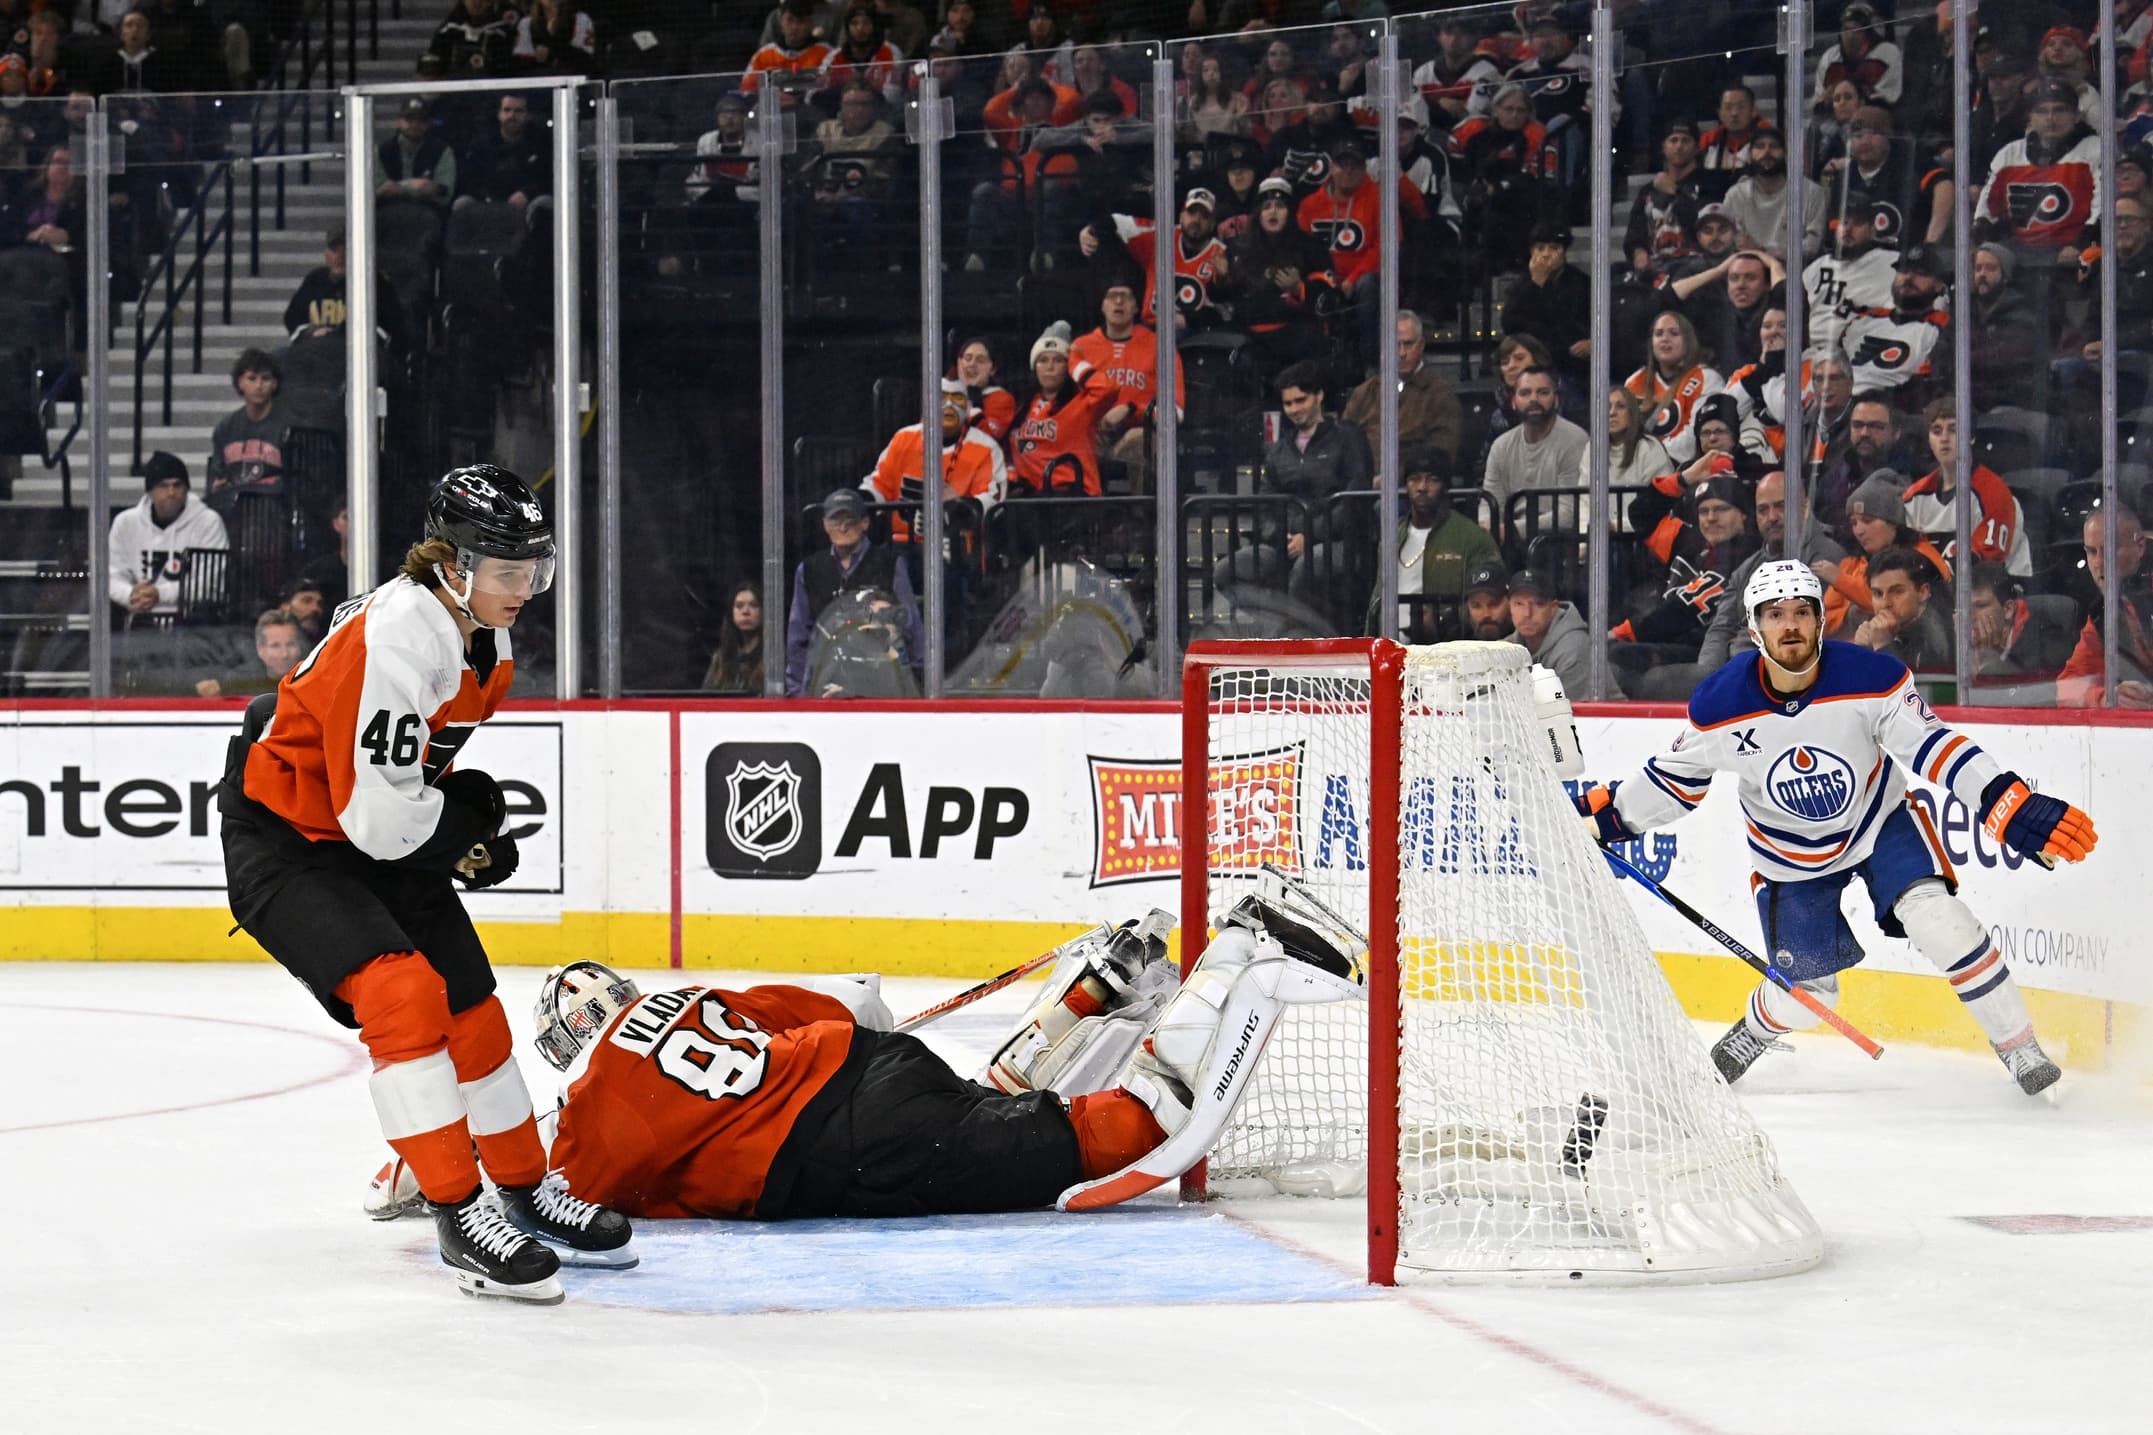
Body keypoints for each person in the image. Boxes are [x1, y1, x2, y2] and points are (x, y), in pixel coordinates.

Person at [219, 465, 634, 1303]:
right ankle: (457, 1210)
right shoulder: (401, 637)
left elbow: (396, 786)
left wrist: (454, 831)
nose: (525, 589)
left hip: (354, 827)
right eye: (508, 570)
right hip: (286, 841)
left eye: (534, 570)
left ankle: (523, 1186)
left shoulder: (486, 635)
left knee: (471, 1005)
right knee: (405, 994)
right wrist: (455, 829)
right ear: (452, 566)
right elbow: (377, 821)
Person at [1574, 560, 2096, 1096]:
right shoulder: (1720, 705)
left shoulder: (1870, 678)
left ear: (1822, 619)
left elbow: (1933, 745)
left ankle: (2020, 1048)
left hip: (1877, 825)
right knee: (1811, 996)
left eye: (1803, 611)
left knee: (1940, 919)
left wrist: (2005, 800)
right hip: (1788, 856)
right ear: (1754, 629)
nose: (1791, 624)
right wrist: (1608, 819)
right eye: (1775, 615)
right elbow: (1672, 782)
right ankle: (1752, 1032)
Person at [540, 895, 1364, 1220]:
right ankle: (1082, 999)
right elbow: (852, 1003)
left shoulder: (597, 1099)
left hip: (852, 1148)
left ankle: (1233, 959)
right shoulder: (693, 1002)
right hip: (877, 1067)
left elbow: (556, 1197)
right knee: (978, 1104)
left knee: (1125, 1131)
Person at [1216, 359, 1373, 620]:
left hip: (1339, 542)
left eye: (1301, 400)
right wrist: (1284, 537)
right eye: (1288, 403)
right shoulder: (1278, 451)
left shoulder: (1347, 439)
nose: (1294, 409)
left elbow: (1353, 503)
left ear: (1319, 396)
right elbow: (1266, 504)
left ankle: (1298, 638)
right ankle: (1274, 630)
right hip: (1284, 543)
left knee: (1307, 567)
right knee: (1227, 570)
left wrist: (1309, 535)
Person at [1699, 470, 1846, 669]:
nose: (1772, 517)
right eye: (1763, 510)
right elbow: (1720, 629)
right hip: (1737, 672)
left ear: (1804, 506)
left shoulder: (1826, 557)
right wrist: (1710, 677)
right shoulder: (1747, 568)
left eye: (1781, 506)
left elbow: (1803, 633)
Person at [786, 486, 922, 698]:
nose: (842, 527)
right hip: (825, 686)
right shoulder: (809, 569)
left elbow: (911, 627)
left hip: (880, 685)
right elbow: (799, 636)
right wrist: (799, 693)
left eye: (849, 520)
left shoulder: (890, 564)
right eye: (835, 521)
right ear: (825, 525)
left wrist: (914, 687)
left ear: (864, 523)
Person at [1371, 444, 1501, 641]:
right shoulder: (1391, 536)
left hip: (1446, 649)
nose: (1422, 487)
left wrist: (1443, 621)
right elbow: (1377, 599)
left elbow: (1493, 601)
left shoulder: (1473, 538)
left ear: (1445, 486)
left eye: (1432, 480)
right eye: (1414, 479)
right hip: (1389, 648)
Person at [1899, 397, 2031, 578]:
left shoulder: (1994, 493)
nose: (1944, 438)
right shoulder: (1914, 497)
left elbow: (1986, 560)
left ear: (1971, 437)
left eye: (1953, 430)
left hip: (1991, 595)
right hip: (1936, 595)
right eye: (1936, 431)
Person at [861, 376, 1006, 538]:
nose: (949, 405)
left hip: (958, 548)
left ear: (969, 408)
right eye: (941, 397)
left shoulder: (987, 448)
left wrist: (957, 510)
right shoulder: (904, 438)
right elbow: (879, 485)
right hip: (901, 543)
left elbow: (991, 501)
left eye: (957, 399)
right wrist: (860, 499)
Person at [1070, 281, 1182, 473]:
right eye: (1112, 296)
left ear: (1136, 307)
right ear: (1102, 306)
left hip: (1138, 432)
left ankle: (1139, 504)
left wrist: (1132, 410)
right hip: (1093, 436)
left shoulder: (1159, 346)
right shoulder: (1081, 347)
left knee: (1138, 440)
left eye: (1126, 296)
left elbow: (1176, 412)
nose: (1119, 301)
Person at [107, 450, 228, 621]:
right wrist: (131, 595)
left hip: (193, 623)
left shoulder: (208, 522)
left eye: (177, 485)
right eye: (163, 486)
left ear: (187, 489)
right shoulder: (125, 523)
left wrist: (159, 594)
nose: (171, 492)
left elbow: (211, 584)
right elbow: (110, 576)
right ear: (149, 492)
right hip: (140, 620)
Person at [1831, 472, 1952, 635]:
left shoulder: (1922, 558)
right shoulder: (1857, 562)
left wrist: (1840, 581)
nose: (1859, 531)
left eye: (1867, 520)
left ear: (1894, 522)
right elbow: (1825, 617)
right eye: (1853, 523)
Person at [2058, 507, 2153, 707]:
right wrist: (2106, 697)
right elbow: (2067, 688)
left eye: (2110, 549)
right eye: (2092, 552)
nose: (2100, 562)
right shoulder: (2105, 613)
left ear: (2140, 546)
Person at [1341, 309, 1462, 465]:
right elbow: (1343, 445)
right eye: (1395, 345)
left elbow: (1442, 454)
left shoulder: (1441, 395)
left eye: (1408, 344)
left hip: (1413, 484)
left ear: (1421, 346)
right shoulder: (1364, 394)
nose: (1401, 352)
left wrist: (1397, 478)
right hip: (1363, 486)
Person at [1484, 364, 1588, 539]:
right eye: (1525, 393)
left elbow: (1569, 514)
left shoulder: (1575, 440)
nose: (1534, 399)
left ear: (1556, 400)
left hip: (1559, 542)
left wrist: (1511, 530)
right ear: (1513, 402)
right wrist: (1487, 527)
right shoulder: (1501, 445)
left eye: (1543, 392)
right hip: (1509, 540)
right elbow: (1490, 503)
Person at [1012, 323, 1115, 496]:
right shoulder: (1023, 406)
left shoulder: (1082, 404)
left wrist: (1074, 360)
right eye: (1043, 360)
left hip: (1073, 496)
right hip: (1032, 497)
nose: (1050, 367)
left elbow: (1108, 389)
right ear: (1034, 367)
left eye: (1058, 360)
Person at [1625, 310, 1724, 465]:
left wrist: (1653, 457)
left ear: (1689, 341)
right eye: (1658, 334)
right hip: (1639, 471)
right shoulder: (1634, 382)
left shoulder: (1707, 379)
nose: (1665, 339)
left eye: (1674, 333)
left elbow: (1698, 436)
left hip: (1687, 470)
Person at [1501, 223, 1593, 389]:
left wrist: (1592, 342)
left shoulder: (1582, 283)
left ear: (1564, 252)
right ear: (1531, 252)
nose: (1546, 254)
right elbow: (1509, 324)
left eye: (1553, 248)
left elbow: (1569, 324)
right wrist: (1536, 283)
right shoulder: (1522, 284)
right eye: (1540, 248)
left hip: (1572, 368)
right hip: (1532, 366)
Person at [1720, 128, 1828, 266]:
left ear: (1785, 153)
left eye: (1774, 146)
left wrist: (1762, 251)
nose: (1766, 152)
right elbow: (1734, 243)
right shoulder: (1736, 195)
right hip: (1749, 270)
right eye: (1760, 147)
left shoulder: (1812, 192)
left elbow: (1812, 246)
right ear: (1749, 155)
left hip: (1796, 272)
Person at [1850, 546, 1954, 677]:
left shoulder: (1939, 638)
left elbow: (1914, 694)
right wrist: (1862, 652)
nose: (1885, 603)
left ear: (1923, 592)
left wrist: (1883, 646)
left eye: (1897, 592)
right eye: (1877, 593)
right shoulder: (1878, 633)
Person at [1967, 565, 2078, 681]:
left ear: (2008, 610)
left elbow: (2032, 694)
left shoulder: (2047, 645)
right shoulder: (1957, 642)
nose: (1970, 616)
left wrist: (1990, 661)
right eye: (1964, 608)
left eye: (1980, 606)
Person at [457, 91, 552, 220]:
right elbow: (470, 180)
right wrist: (488, 199)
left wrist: (527, 194)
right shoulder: (481, 144)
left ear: (527, 115)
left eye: (518, 111)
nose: (512, 115)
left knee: (545, 203)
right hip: (487, 203)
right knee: (462, 203)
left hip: (526, 204)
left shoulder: (540, 143)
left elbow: (547, 178)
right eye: (507, 110)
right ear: (499, 114)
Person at [206, 347, 285, 496]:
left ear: (274, 384)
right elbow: (218, 476)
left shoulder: (287, 426)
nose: (259, 386)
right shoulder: (226, 428)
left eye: (265, 378)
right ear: (240, 382)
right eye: (252, 378)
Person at [1504, 567, 1592, 700]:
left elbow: (1564, 713)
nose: (1527, 613)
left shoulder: (1574, 649)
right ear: (1509, 606)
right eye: (1519, 604)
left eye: (1538, 604)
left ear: (1553, 608)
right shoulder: (1507, 647)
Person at [195, 607, 306, 699]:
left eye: (291, 644)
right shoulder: (239, 683)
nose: (284, 654)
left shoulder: (314, 682)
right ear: (260, 649)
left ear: (300, 647)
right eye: (275, 646)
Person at [373, 98, 456, 209]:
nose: (415, 125)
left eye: (421, 120)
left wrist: (433, 188)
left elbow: (446, 193)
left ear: (428, 123)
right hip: (388, 211)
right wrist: (409, 187)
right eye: (409, 119)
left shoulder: (442, 150)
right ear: (399, 121)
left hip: (429, 212)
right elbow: (374, 193)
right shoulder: (382, 150)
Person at [703, 580, 766, 694]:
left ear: (763, 612)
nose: (746, 611)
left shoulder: (774, 659)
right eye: (739, 606)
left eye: (754, 605)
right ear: (731, 613)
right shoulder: (720, 659)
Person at [1460, 561, 1512, 640]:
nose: (1486, 614)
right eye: (1476, 606)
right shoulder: (1454, 645)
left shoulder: (1526, 641)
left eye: (1494, 604)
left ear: (1510, 603)